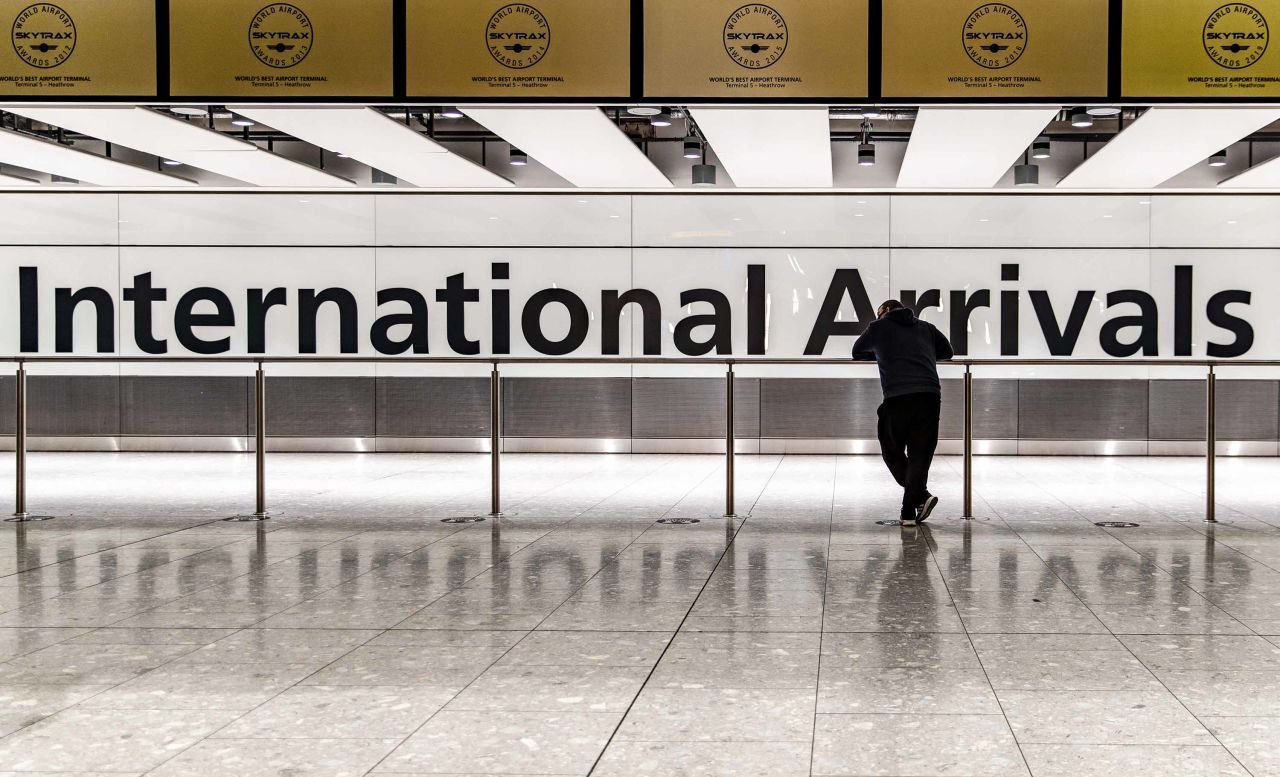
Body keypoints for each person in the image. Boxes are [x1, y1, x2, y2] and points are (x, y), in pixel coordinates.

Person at [852, 300, 954, 525]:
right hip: (929, 396)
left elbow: (857, 352)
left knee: (891, 450)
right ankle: (909, 511)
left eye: (879, 314)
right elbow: (948, 352)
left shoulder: (878, 328)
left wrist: (883, 353)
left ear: (885, 312)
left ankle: (919, 498)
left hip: (898, 396)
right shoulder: (926, 327)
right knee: (920, 454)